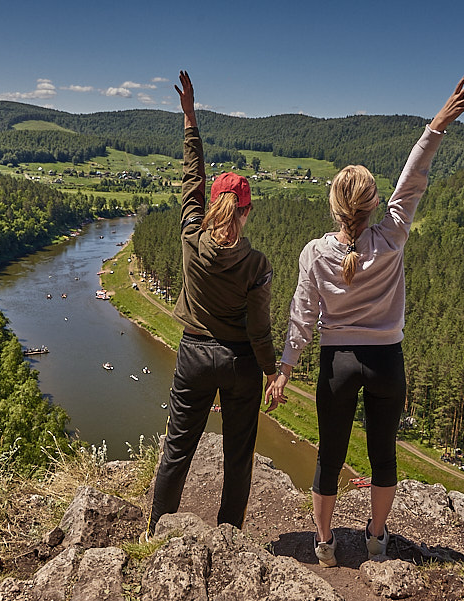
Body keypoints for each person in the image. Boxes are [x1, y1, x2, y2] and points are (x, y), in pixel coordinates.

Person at [266, 73, 464, 566]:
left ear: (335, 206)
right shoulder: (391, 239)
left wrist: (284, 371)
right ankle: (377, 538)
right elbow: (412, 183)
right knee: (383, 455)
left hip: (337, 363)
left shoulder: (315, 254)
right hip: (387, 362)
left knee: (329, 455)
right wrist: (436, 126)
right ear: (371, 205)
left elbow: (303, 316)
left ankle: (324, 546)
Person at [146, 71, 278, 537]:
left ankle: (156, 528)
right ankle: (229, 537)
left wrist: (189, 118)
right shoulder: (256, 263)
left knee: (178, 447)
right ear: (245, 211)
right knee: (238, 455)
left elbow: (192, 180)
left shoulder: (190, 238)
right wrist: (272, 371)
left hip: (195, 355)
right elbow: (259, 328)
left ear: (213, 206)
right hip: (241, 362)